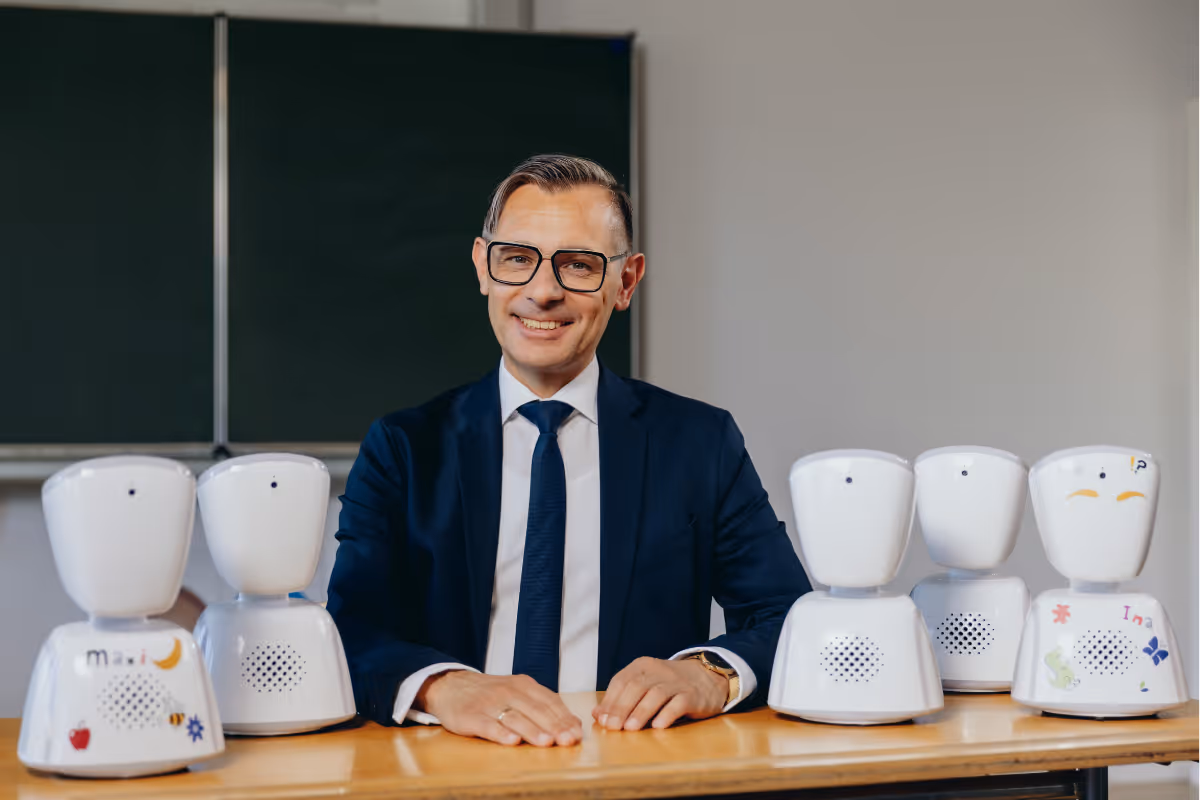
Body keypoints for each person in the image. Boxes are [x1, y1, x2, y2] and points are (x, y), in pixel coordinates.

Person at [327, 154, 810, 747]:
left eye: (578, 265)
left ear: (625, 282)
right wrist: (446, 687)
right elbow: (352, 630)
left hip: (636, 769)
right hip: (454, 768)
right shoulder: (403, 448)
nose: (543, 291)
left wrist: (705, 672)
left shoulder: (699, 443)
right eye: (517, 259)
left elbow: (786, 612)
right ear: (484, 267)